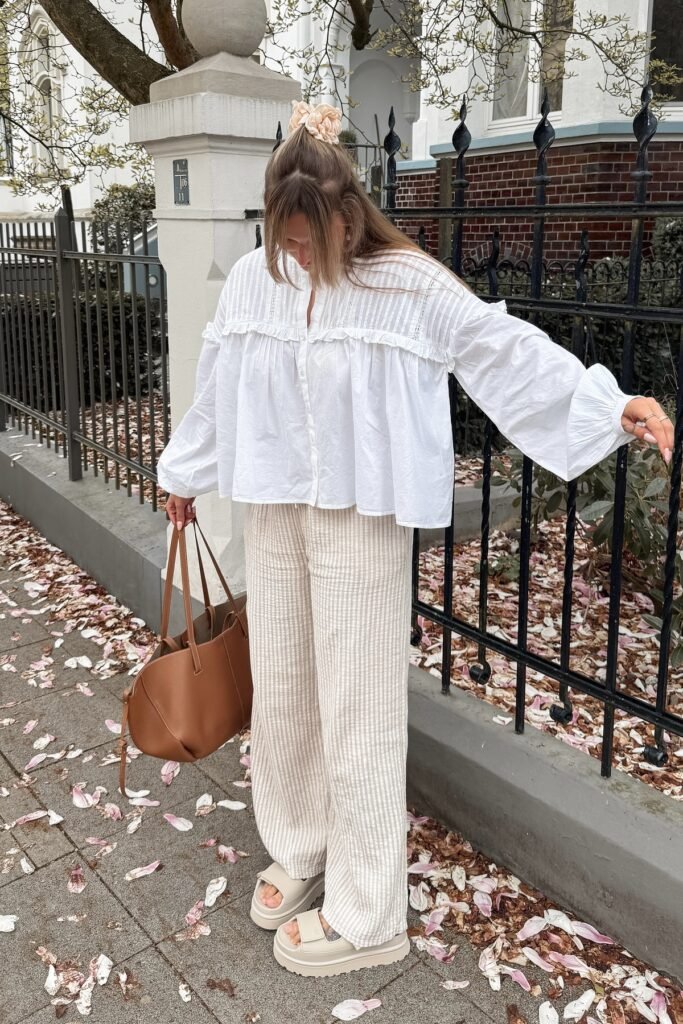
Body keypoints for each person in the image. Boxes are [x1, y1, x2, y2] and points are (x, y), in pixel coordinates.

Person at [155, 100, 674, 978]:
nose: (296, 256)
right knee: (282, 680)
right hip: (273, 506)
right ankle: (301, 842)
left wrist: (607, 405)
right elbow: (218, 383)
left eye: (308, 237)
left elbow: (499, 348)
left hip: (362, 517)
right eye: (283, 238)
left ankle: (368, 912)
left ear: (346, 215)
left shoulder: (406, 282)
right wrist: (182, 474)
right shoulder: (256, 280)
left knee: (356, 701)